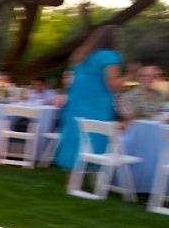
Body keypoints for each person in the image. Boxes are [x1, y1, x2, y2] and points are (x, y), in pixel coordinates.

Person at [55, 25, 132, 169]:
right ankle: (92, 177)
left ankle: (73, 177)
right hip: (97, 106)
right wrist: (130, 75)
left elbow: (69, 80)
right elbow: (112, 85)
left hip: (75, 105)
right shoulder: (109, 56)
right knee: (95, 139)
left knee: (77, 139)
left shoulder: (81, 56)